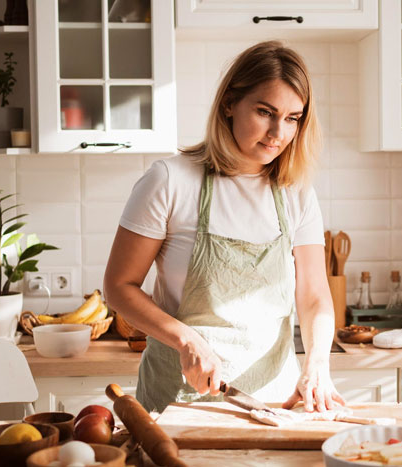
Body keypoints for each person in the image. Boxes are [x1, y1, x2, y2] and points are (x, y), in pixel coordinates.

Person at [104, 40, 345, 414]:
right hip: (178, 402)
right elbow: (119, 287)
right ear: (230, 103)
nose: (278, 132)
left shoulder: (296, 191)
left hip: (274, 400)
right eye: (265, 112)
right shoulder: (169, 180)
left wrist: (317, 364)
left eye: (293, 118)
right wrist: (187, 341)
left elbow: (314, 295)